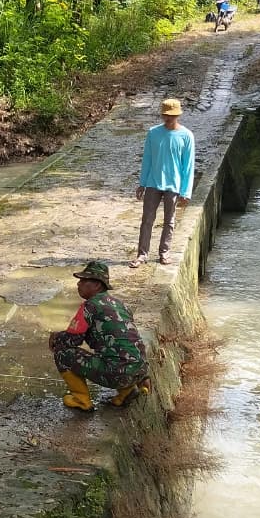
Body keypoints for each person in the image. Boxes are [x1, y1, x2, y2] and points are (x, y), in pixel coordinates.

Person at [48, 261, 148, 411]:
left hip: (117, 374)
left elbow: (72, 340)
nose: (78, 284)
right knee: (106, 348)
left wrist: (56, 337)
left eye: (83, 281)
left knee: (62, 352)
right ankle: (127, 391)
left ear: (96, 285)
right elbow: (129, 340)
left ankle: (81, 400)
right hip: (140, 372)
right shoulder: (121, 305)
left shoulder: (90, 306)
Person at [131, 97, 195, 267]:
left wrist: (185, 191)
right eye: (166, 115)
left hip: (173, 184)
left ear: (178, 115)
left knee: (169, 221)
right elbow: (147, 159)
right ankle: (142, 254)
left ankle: (164, 252)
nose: (168, 118)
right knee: (147, 220)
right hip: (153, 182)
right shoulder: (153, 133)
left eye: (171, 115)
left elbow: (188, 166)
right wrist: (142, 183)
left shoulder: (186, 136)